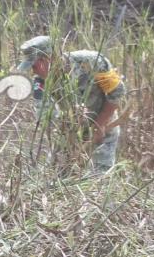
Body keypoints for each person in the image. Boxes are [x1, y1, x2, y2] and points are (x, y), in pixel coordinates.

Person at [17, 35, 129, 173]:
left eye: (34, 66)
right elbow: (45, 118)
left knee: (98, 180)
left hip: (104, 129)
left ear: (46, 59)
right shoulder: (40, 83)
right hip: (70, 135)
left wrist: (100, 125)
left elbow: (117, 93)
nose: (33, 71)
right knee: (57, 178)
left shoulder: (91, 61)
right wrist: (69, 136)